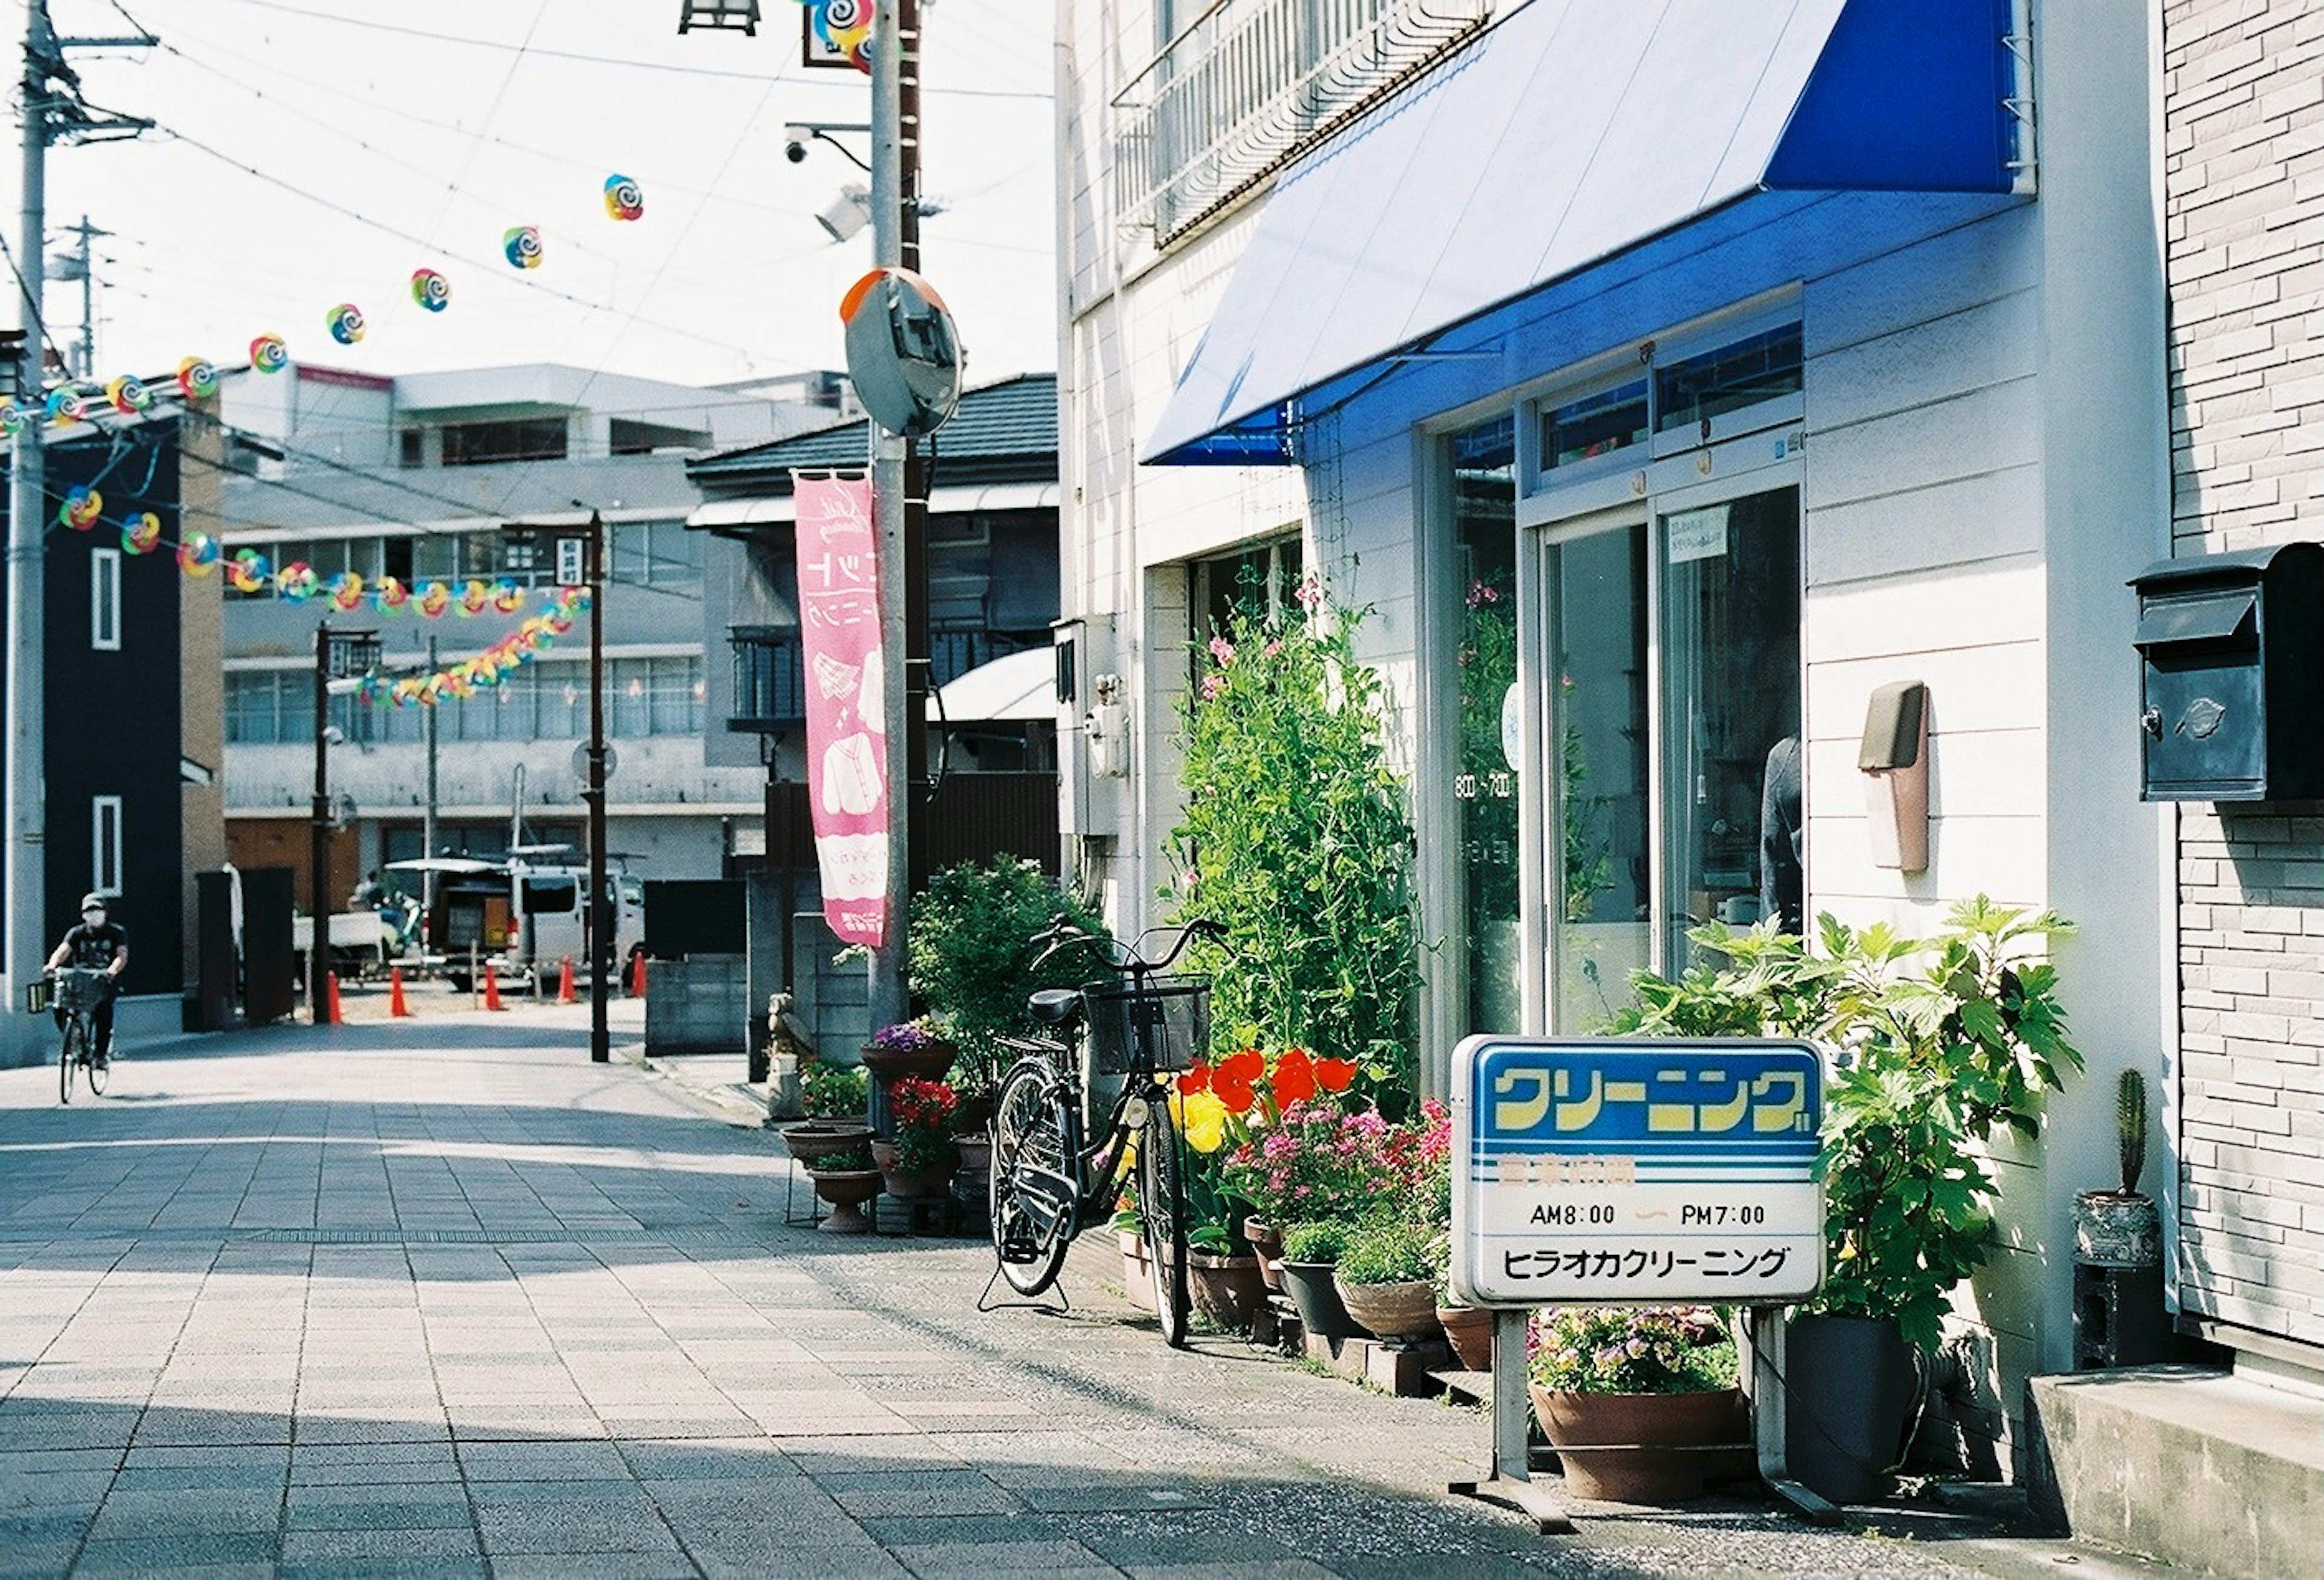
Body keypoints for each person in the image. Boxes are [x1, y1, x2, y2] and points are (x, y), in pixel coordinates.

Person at [47, 891, 128, 1067]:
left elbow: (121, 955)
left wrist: (113, 970)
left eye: (97, 910)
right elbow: (63, 950)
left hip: (104, 981)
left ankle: (100, 1054)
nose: (93, 914)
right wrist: (52, 965)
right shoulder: (77, 933)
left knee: (104, 1010)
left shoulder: (116, 932)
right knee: (61, 1006)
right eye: (89, 911)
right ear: (83, 914)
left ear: (105, 912)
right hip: (81, 981)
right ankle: (73, 1040)